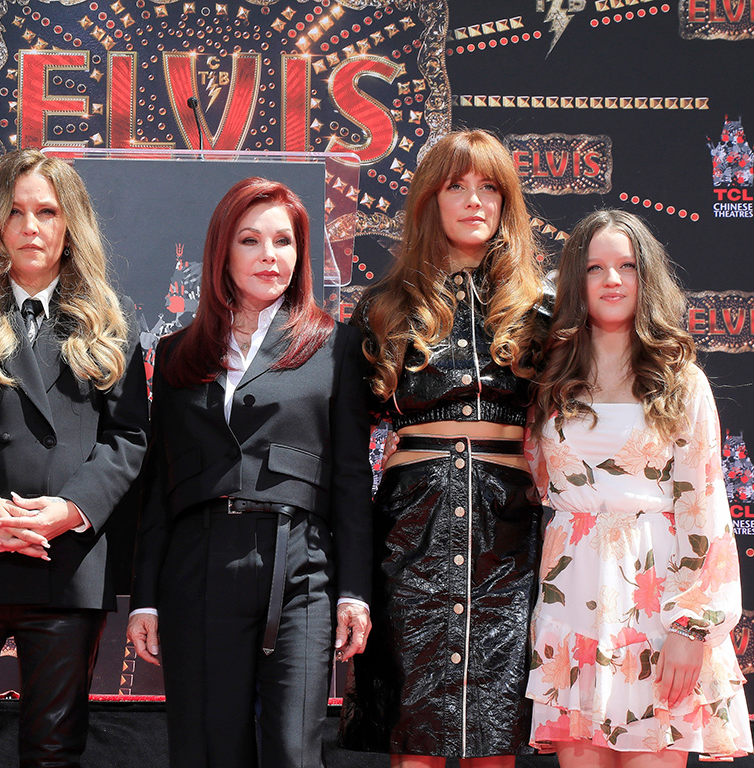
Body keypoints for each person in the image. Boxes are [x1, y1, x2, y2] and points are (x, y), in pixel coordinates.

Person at [0, 149, 149, 767]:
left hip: (64, 565)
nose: (30, 227)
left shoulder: (111, 318)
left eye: (46, 211)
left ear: (71, 224)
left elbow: (128, 439)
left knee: (54, 751)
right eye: (14, 212)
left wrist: (70, 510)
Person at [127, 177, 373, 768]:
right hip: (199, 563)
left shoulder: (334, 347)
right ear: (222, 252)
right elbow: (158, 487)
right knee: (209, 751)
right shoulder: (177, 353)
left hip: (301, 564)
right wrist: (144, 600)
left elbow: (349, 478)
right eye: (251, 240)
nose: (270, 255)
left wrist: (354, 591)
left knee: (294, 751)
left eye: (284, 242)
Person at [339, 129, 552, 767]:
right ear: (429, 201)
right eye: (455, 186)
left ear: (508, 201)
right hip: (412, 536)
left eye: (489, 186)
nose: (473, 200)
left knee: (494, 737)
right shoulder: (382, 310)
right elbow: (347, 456)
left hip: (509, 542)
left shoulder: (542, 313)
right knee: (418, 735)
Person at [525, 209, 751, 764]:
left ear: (646, 277)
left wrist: (691, 629)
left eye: (627, 266)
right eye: (596, 267)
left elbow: (706, 512)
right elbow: (534, 486)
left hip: (659, 603)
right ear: (576, 280)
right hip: (571, 601)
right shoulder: (547, 378)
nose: (612, 280)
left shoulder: (681, 381)